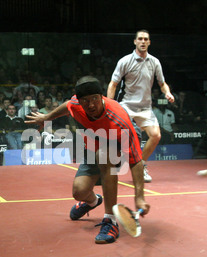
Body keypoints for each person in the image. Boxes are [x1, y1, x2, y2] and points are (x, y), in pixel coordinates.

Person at [26, 76, 150, 244]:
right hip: (95, 146)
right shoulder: (76, 105)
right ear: (79, 100)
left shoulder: (119, 120)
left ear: (102, 97)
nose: (91, 105)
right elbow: (67, 106)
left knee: (104, 155)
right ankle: (93, 201)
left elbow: (136, 160)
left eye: (95, 99)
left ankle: (110, 221)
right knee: (79, 192)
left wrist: (140, 197)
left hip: (117, 145)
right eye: (86, 100)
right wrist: (47, 117)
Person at [107, 29, 175, 182]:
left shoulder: (155, 62)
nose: (143, 41)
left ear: (149, 42)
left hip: (145, 108)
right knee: (123, 138)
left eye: (146, 39)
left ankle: (141, 165)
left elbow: (162, 83)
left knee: (156, 136)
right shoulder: (125, 61)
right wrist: (110, 105)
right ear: (135, 41)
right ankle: (108, 166)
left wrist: (167, 93)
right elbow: (113, 84)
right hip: (126, 106)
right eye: (140, 39)